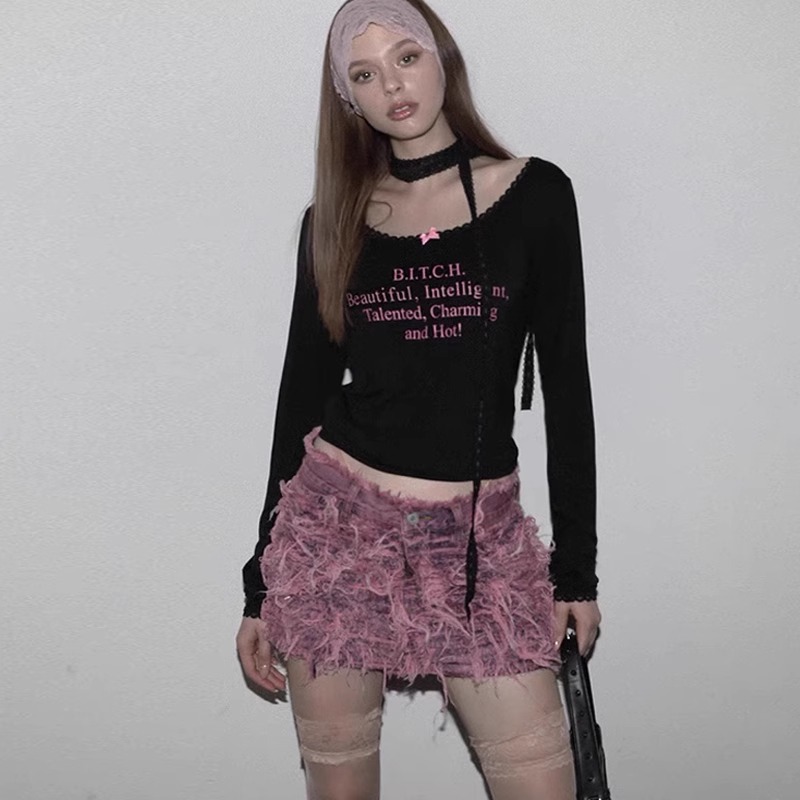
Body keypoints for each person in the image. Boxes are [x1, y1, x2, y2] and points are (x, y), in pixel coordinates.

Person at [236, 0, 601, 797]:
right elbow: (300, 399)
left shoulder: (534, 195)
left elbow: (569, 389)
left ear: (443, 58)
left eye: (405, 58)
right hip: (334, 538)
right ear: (348, 98)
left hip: (477, 546)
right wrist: (260, 583)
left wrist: (576, 573)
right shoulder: (334, 222)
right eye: (364, 74)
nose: (392, 86)